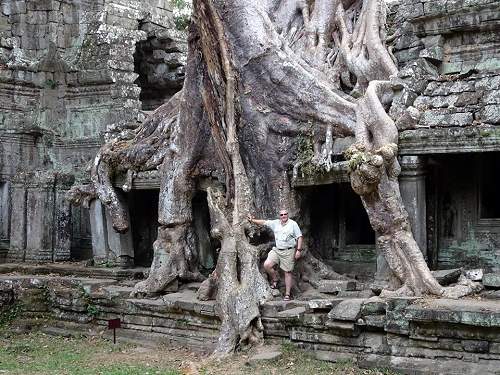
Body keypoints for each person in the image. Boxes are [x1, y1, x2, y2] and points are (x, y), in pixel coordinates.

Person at [248, 209, 303, 301]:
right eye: (281, 215)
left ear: (288, 215)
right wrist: (252, 220)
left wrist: (298, 250)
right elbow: (264, 222)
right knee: (267, 265)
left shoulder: (293, 224)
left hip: (288, 251)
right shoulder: (275, 223)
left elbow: (299, 237)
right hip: (277, 250)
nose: (284, 216)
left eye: (285, 214)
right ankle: (275, 278)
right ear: (279, 216)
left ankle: (287, 294)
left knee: (287, 272)